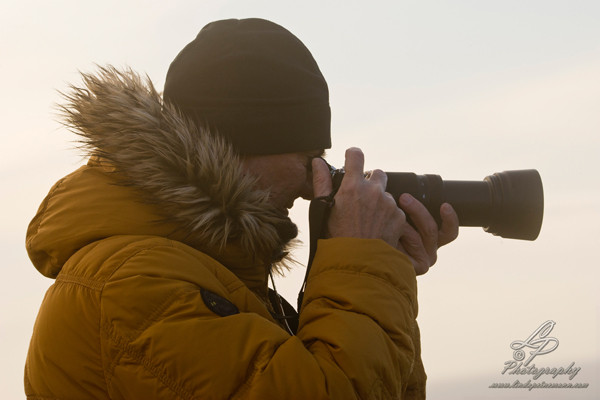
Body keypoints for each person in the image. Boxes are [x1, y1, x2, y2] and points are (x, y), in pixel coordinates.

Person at [24, 18, 458, 399]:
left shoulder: (203, 274)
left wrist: (384, 274)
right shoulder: (133, 285)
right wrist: (363, 268)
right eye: (309, 154)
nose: (315, 180)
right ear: (238, 147)